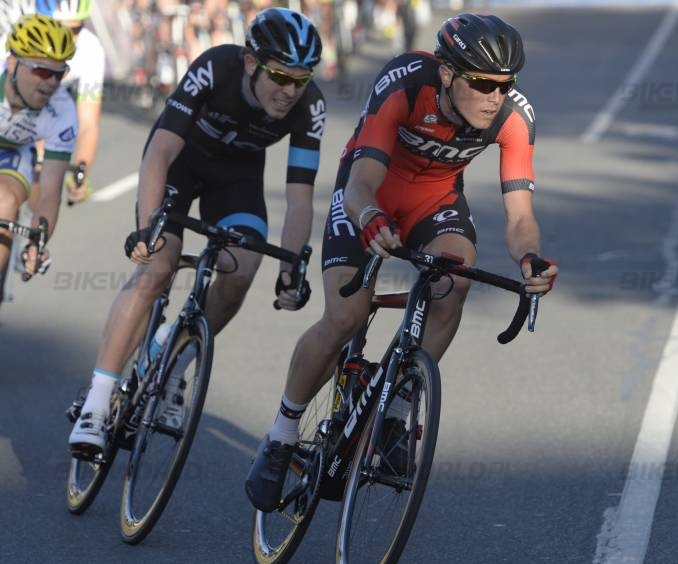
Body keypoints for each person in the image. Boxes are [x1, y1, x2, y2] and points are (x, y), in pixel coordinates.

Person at [245, 13, 558, 512]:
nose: (494, 96)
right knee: (345, 315)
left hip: (434, 204)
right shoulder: (406, 82)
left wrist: (530, 259)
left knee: (453, 285)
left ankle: (394, 414)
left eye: (505, 85)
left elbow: (520, 214)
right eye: (481, 83)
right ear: (449, 74)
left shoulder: (515, 117)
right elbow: (362, 180)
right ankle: (282, 434)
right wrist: (369, 217)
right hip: (368, 194)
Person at [68, 8, 325, 456]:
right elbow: (159, 152)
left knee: (242, 271)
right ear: (251, 63)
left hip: (236, 181)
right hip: (179, 166)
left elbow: (300, 197)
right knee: (157, 269)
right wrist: (148, 227)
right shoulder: (215, 67)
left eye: (300, 80)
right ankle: (96, 400)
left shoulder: (310, 105)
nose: (289, 91)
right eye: (280, 76)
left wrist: (293, 267)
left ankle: (176, 359)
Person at [0, 15, 77, 297]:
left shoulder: (63, 111)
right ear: (12, 63)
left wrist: (37, 240)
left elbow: (49, 193)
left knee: (4, 202)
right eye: (43, 72)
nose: (51, 83)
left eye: (60, 73)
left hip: (13, 153)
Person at [34, 0, 106, 204]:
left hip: (52, 109)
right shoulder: (14, 41)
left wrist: (80, 172)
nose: (66, 38)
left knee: (46, 187)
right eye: (58, 28)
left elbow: (89, 121)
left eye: (75, 29)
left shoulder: (90, 49)